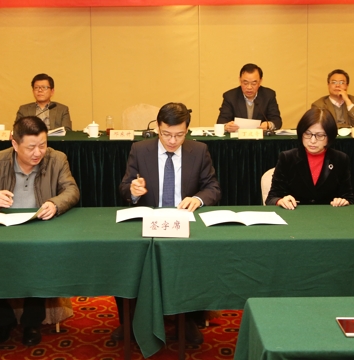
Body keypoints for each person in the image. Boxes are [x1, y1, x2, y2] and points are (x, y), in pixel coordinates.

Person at [0, 116, 80, 346]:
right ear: (14, 143)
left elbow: (71, 190)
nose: (38, 152)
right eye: (31, 147)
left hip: (39, 229)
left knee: (42, 260)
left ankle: (32, 323)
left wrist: (55, 203)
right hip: (2, 232)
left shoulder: (57, 159)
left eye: (42, 145)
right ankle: (2, 320)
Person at [117, 102, 221, 344]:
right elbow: (124, 187)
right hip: (148, 221)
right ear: (157, 128)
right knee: (126, 257)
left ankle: (187, 318)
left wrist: (197, 199)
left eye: (179, 135)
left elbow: (213, 188)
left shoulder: (199, 150)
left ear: (187, 131)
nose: (172, 141)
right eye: (166, 134)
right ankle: (131, 320)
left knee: (195, 259)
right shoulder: (140, 149)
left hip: (184, 221)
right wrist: (133, 191)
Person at [265, 108, 353, 208]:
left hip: (329, 215)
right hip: (295, 214)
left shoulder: (340, 159)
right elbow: (271, 198)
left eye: (320, 135)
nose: (312, 140)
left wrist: (343, 201)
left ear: (329, 136)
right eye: (307, 134)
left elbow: (349, 198)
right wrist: (280, 201)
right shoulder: (287, 158)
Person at [216, 64, 282, 132]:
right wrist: (226, 126)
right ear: (240, 81)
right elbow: (221, 122)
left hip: (261, 137)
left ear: (260, 82)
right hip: (237, 138)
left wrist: (269, 125)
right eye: (245, 83)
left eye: (254, 83)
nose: (249, 87)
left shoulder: (268, 95)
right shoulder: (230, 96)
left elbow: (277, 121)